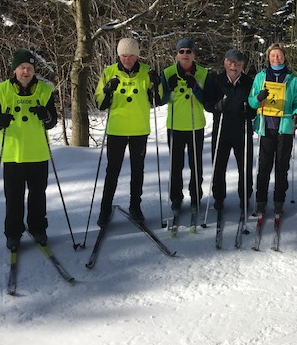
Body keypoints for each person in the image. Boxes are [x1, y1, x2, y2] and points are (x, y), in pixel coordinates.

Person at [0, 49, 58, 250]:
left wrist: (46, 116)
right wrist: (0, 121)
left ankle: (38, 229)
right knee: (14, 197)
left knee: (38, 194)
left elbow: (53, 122)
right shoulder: (1, 90)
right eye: (22, 68)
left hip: (38, 153)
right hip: (13, 154)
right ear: (14, 70)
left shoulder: (45, 90)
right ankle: (13, 233)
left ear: (34, 70)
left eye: (30, 68)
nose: (26, 72)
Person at [94, 38, 159, 226]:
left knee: (137, 170)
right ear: (118, 55)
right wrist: (107, 90)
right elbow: (100, 103)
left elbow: (158, 99)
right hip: (117, 130)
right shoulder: (109, 72)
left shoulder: (147, 72)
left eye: (131, 55)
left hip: (139, 129)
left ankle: (135, 206)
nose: (127, 59)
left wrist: (156, 84)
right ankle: (105, 209)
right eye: (123, 55)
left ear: (137, 55)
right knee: (112, 171)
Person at [159, 38, 215, 213]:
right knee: (175, 165)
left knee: (195, 164)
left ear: (193, 54)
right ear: (177, 54)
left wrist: (196, 87)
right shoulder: (168, 72)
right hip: (175, 125)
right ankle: (176, 198)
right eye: (181, 51)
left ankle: (195, 196)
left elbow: (207, 101)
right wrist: (168, 89)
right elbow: (160, 100)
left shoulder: (203, 73)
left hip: (195, 125)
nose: (185, 55)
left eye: (188, 51)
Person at [248, 43, 297, 215]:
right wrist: (258, 98)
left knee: (282, 166)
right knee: (264, 166)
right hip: (266, 127)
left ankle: (279, 200)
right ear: (268, 58)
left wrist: (296, 114)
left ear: (284, 57)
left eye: (279, 55)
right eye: (273, 56)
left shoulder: (292, 79)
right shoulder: (260, 77)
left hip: (284, 128)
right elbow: (251, 101)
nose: (276, 58)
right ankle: (261, 200)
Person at [207, 49, 256, 212]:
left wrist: (249, 111)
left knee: (245, 166)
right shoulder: (216, 81)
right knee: (219, 166)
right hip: (221, 129)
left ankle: (245, 197)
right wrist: (217, 106)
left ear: (242, 65)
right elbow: (208, 104)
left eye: (237, 63)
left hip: (242, 130)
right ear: (225, 63)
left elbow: (254, 106)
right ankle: (219, 197)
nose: (233, 66)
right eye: (230, 62)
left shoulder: (249, 82)